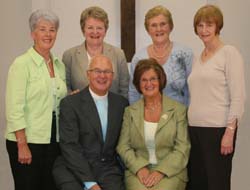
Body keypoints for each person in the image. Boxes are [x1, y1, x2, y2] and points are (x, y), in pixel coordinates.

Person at [5, 9, 67, 190]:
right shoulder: (21, 64)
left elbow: (56, 100)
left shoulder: (59, 64)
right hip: (28, 141)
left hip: (53, 141)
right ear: (33, 33)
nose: (48, 34)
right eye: (42, 29)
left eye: (52, 29)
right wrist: (22, 144)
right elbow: (14, 108)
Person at [187, 5, 246, 190]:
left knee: (217, 183)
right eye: (200, 25)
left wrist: (230, 131)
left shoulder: (229, 53)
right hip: (194, 130)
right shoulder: (198, 58)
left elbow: (238, 96)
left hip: (218, 130)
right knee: (197, 183)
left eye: (209, 25)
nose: (204, 30)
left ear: (217, 27)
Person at [53, 55, 129, 190]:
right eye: (97, 71)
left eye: (107, 72)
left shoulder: (121, 104)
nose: (102, 76)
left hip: (107, 169)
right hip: (73, 169)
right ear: (88, 74)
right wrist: (90, 183)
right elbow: (70, 147)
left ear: (113, 76)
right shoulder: (70, 104)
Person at [117, 58, 190, 190]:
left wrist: (161, 171)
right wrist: (139, 168)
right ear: (138, 84)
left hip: (170, 172)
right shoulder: (130, 112)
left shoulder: (178, 110)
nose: (148, 84)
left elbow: (182, 148)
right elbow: (123, 146)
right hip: (138, 171)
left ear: (160, 80)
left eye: (153, 79)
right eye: (143, 80)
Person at [129, 5, 193, 105]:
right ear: (148, 30)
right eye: (153, 25)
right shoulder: (139, 58)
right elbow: (133, 93)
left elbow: (192, 90)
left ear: (170, 26)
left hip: (179, 117)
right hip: (147, 117)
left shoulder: (185, 54)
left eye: (163, 24)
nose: (159, 29)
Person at [63, 6, 129, 98]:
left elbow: (124, 89)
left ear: (105, 31)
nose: (95, 32)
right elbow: (65, 87)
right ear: (83, 30)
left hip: (112, 110)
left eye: (99, 28)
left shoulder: (118, 54)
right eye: (90, 28)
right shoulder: (69, 56)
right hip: (80, 110)